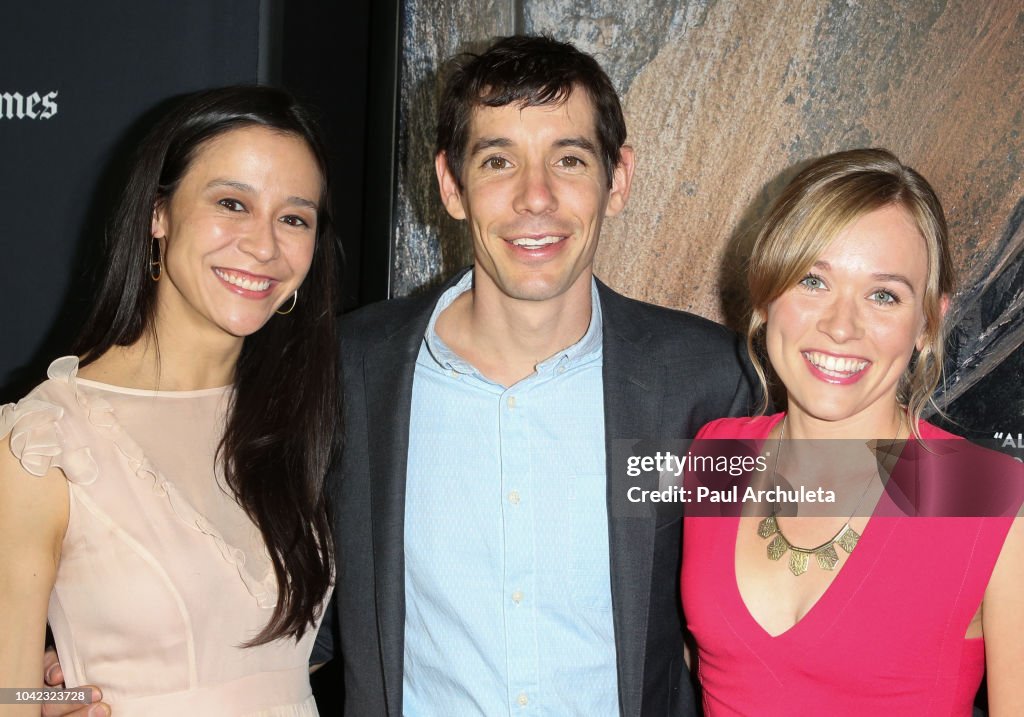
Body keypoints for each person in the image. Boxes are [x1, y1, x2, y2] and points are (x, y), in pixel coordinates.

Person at [311, 35, 758, 715]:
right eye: (498, 161)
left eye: (569, 159)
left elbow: (824, 570)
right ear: (450, 186)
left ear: (619, 179)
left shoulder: (702, 383)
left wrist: (971, 488)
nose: (536, 197)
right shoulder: (348, 370)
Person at [2, 86, 341, 716]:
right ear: (159, 215)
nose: (264, 245)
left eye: (294, 217)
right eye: (232, 203)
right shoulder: (44, 442)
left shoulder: (294, 415)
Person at [681, 148, 1024, 715]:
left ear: (927, 323)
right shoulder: (716, 451)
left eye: (883, 295)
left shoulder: (990, 496)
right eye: (813, 281)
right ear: (767, 294)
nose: (841, 325)